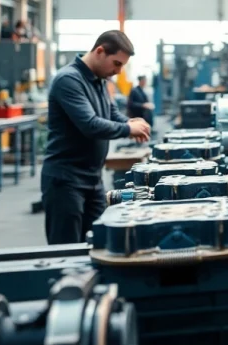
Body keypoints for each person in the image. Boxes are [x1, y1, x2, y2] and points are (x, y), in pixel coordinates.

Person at [41, 30, 151, 244]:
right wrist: (128, 130)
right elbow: (89, 125)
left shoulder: (99, 80)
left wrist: (129, 122)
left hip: (92, 179)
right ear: (100, 51)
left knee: (100, 243)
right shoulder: (69, 80)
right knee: (66, 250)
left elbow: (110, 113)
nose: (118, 72)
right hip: (66, 181)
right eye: (117, 64)